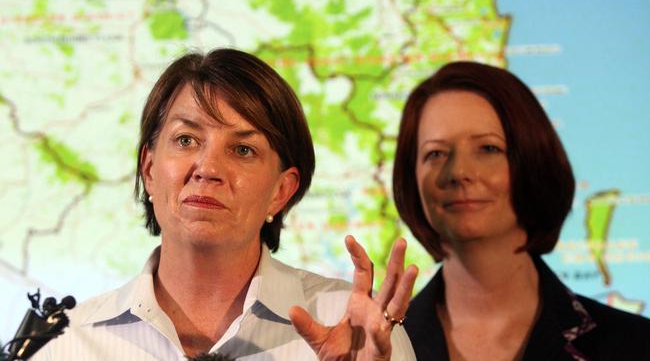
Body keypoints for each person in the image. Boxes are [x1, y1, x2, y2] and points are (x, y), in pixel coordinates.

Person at [33, 48, 417, 360]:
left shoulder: (353, 330)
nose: (208, 168)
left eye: (243, 149)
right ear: (149, 169)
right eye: (186, 140)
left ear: (282, 191)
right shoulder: (65, 343)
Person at [392, 61, 650, 360]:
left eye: (488, 149)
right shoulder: (378, 348)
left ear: (534, 161)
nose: (459, 171)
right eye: (435, 153)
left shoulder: (637, 346)